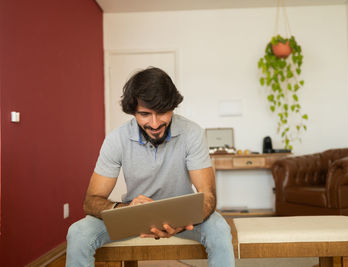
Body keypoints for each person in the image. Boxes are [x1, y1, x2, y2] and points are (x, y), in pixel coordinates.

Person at [66, 67, 235, 266]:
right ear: (133, 112)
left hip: (184, 217)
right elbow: (91, 201)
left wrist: (181, 222)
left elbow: (208, 196)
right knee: (77, 232)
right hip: (131, 216)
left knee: (220, 230)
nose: (154, 124)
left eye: (162, 112)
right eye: (145, 114)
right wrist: (126, 208)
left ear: (173, 107)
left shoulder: (192, 133)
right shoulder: (116, 139)